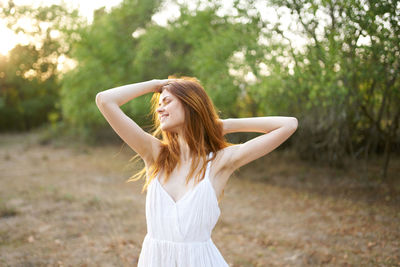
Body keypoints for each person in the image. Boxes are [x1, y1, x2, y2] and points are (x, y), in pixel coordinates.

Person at [95, 76, 298, 266]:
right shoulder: (155, 155)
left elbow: (288, 124)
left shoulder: (220, 162)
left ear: (190, 104)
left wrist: (222, 126)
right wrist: (156, 85)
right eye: (159, 105)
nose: (159, 110)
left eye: (166, 102)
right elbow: (105, 100)